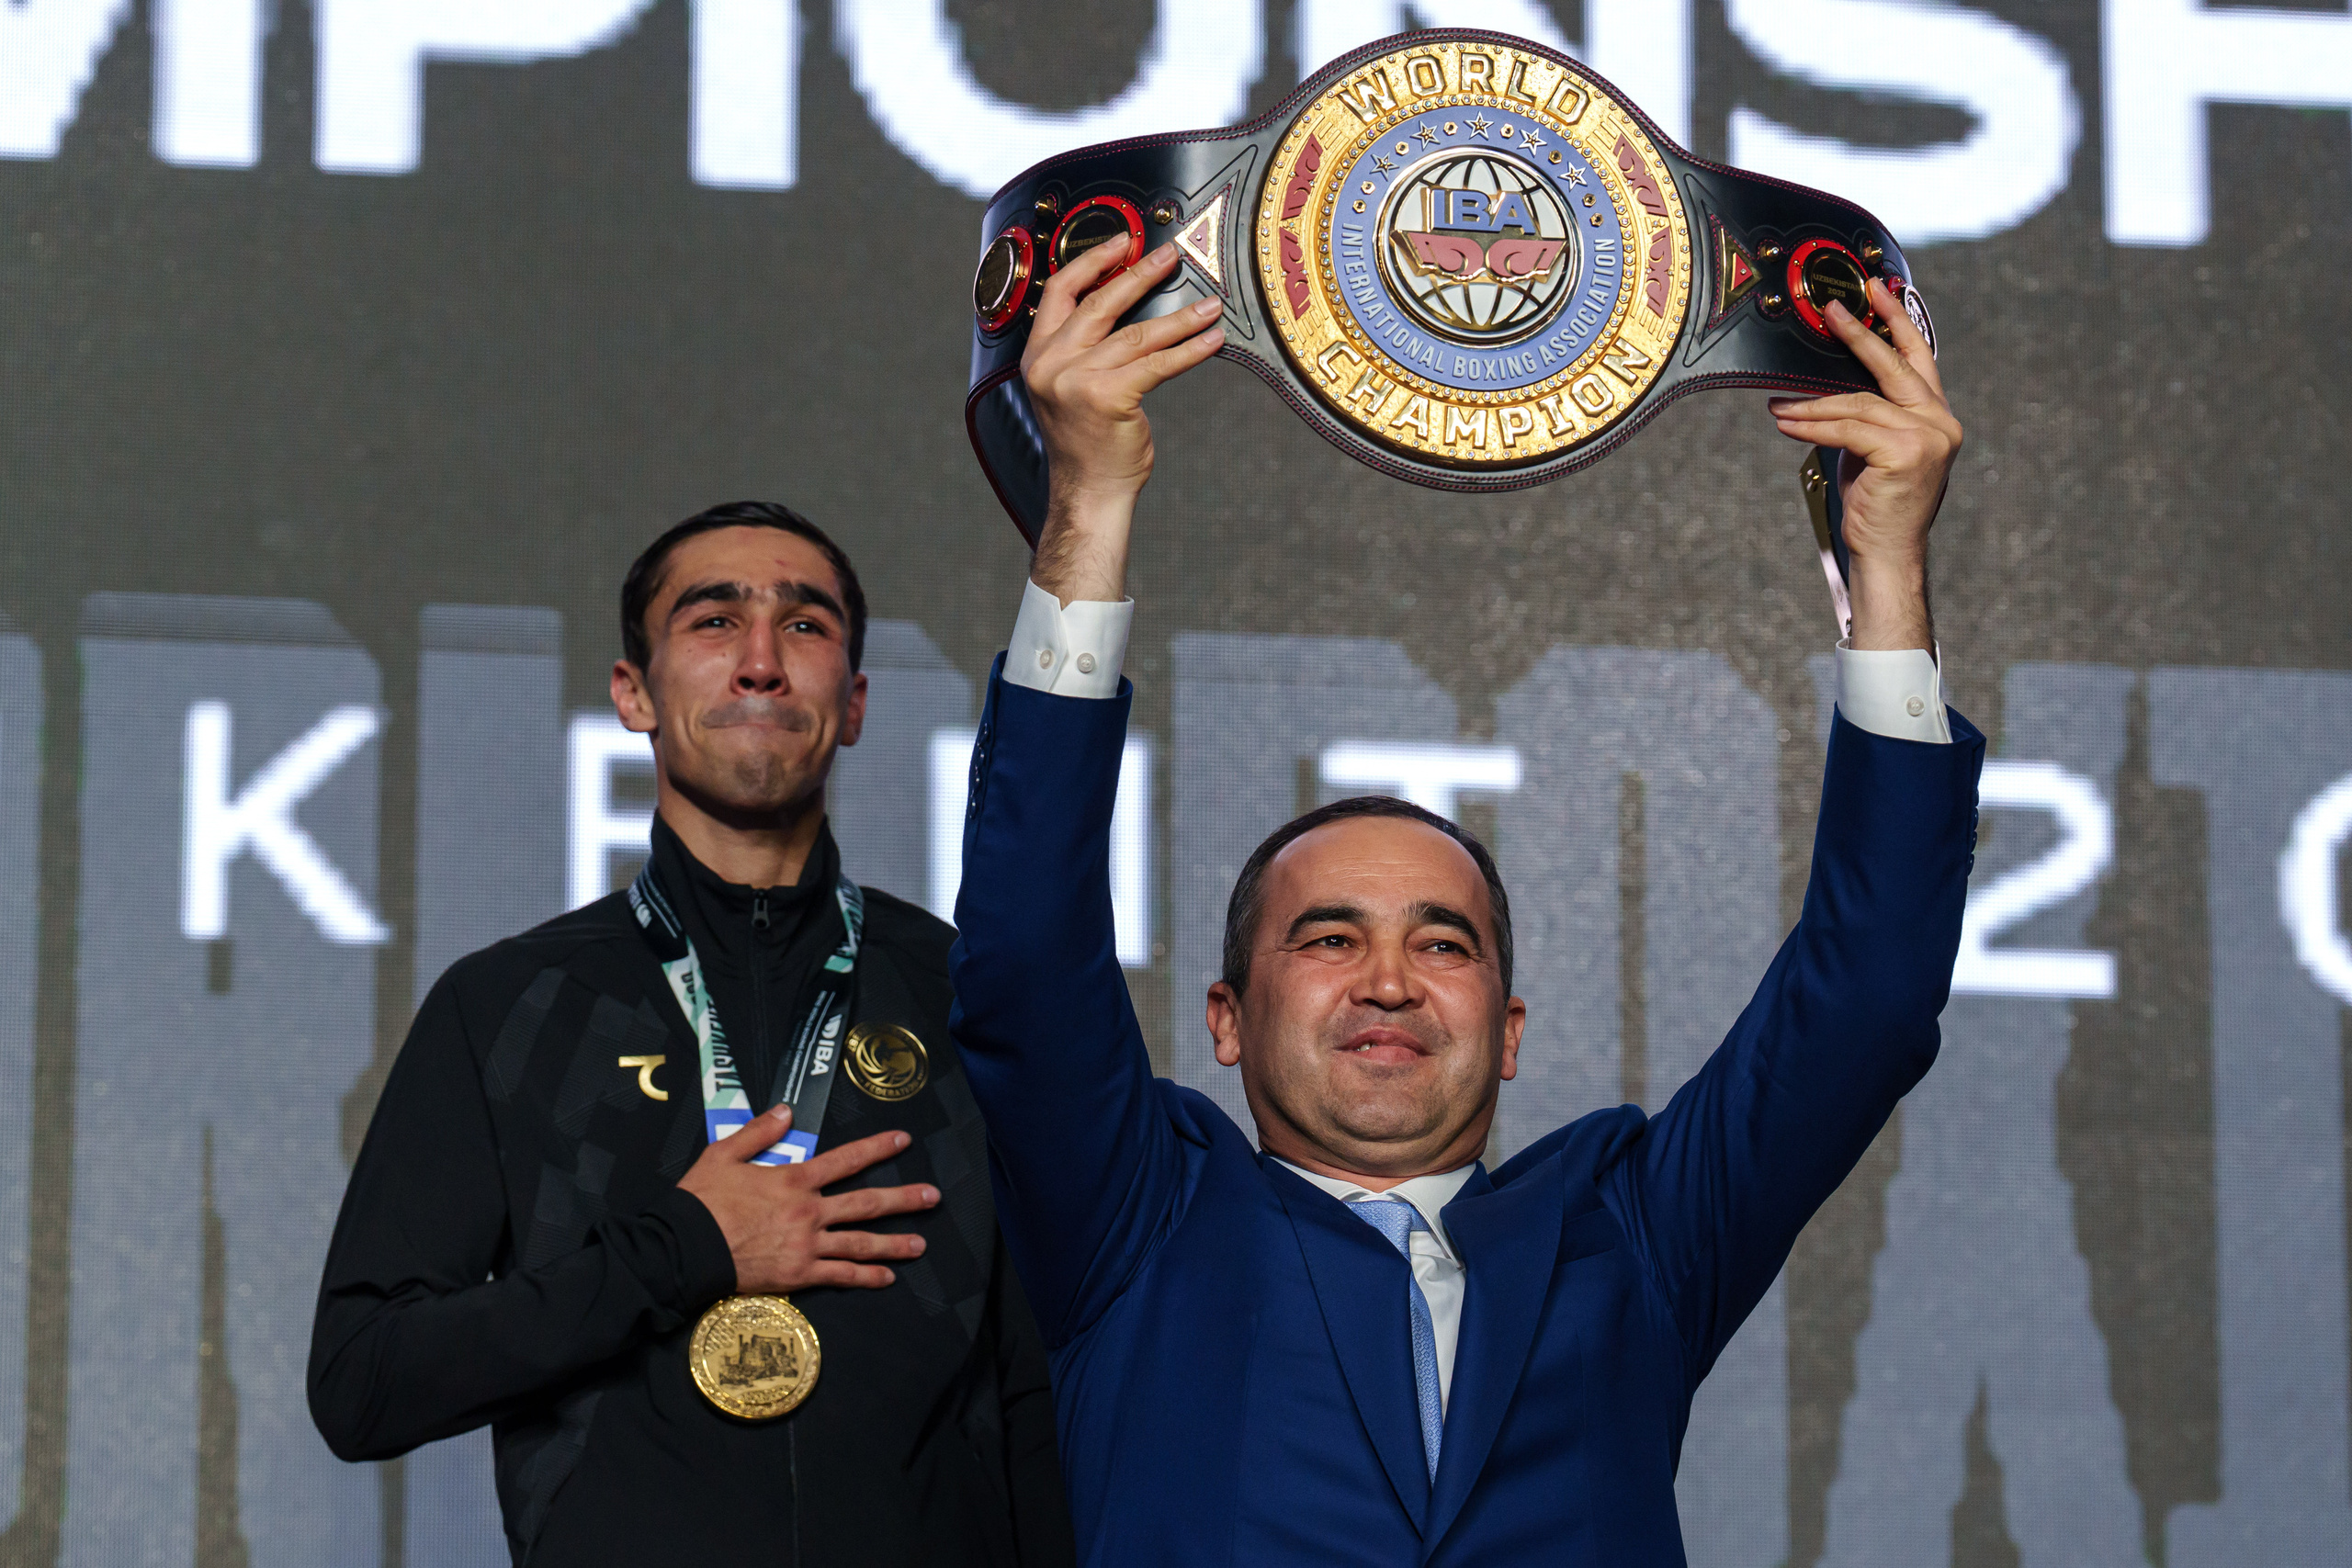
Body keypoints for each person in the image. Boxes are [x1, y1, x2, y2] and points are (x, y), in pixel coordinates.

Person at [947, 241, 1981, 1564]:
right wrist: (1087, 496)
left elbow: (1872, 997)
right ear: (1225, 1014)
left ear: (1506, 1028)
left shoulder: (1626, 1233)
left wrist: (1884, 563)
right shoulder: (1138, 1215)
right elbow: (1026, 956)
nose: (1389, 978)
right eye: (1327, 938)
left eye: (1445, 943)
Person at [310, 502, 1073, 1567]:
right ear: (635, 695)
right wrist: (683, 1250)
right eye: (713, 622)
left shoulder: (958, 994)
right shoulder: (511, 1006)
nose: (761, 661)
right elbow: (364, 1381)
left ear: (851, 703)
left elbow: (1033, 1392)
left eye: (804, 627)